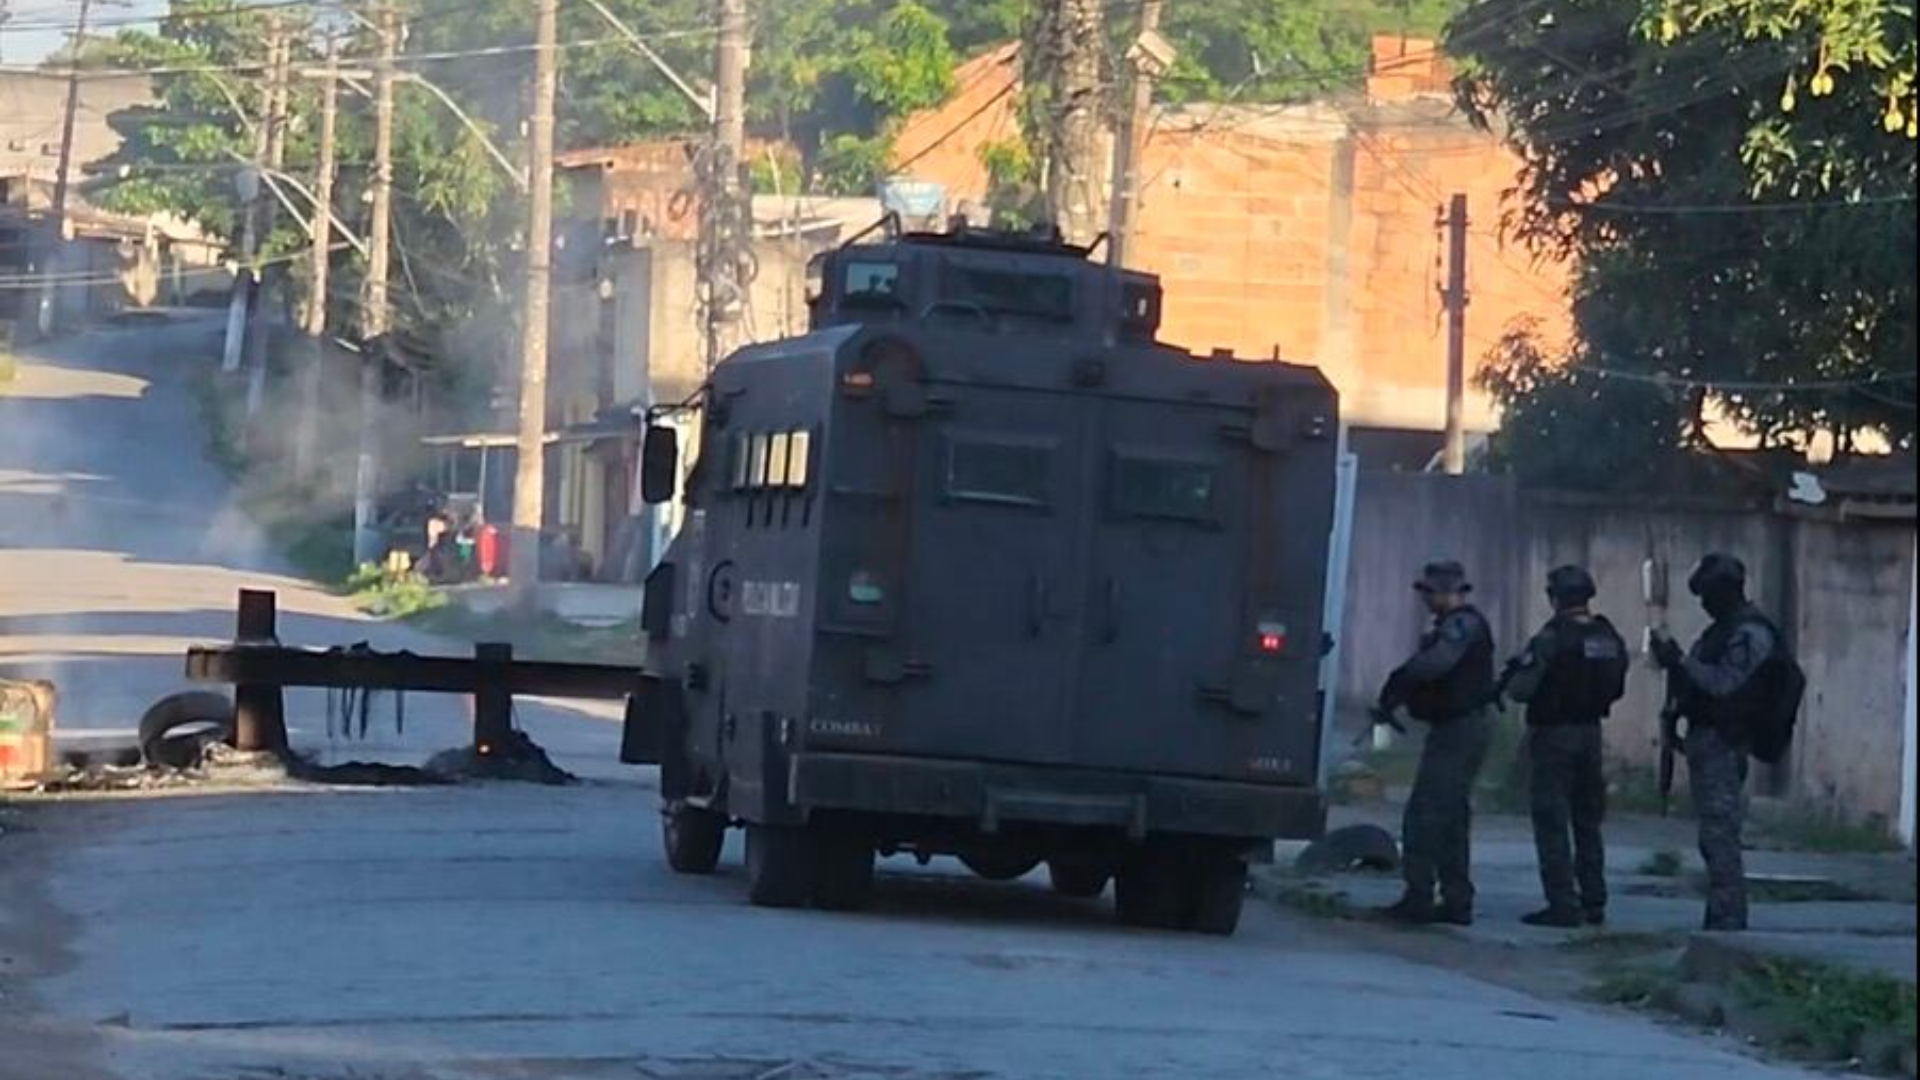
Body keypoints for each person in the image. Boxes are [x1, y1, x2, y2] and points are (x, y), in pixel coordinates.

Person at [1651, 553, 1774, 932]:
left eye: (1707, 594)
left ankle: (1728, 922)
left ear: (1726, 591)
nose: (1704, 603)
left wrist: (1680, 661)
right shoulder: (1721, 630)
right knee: (1712, 837)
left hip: (1725, 741)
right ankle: (1721, 917)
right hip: (1706, 738)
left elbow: (1724, 684)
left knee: (1720, 837)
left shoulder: (1750, 633)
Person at [1503, 565, 1629, 928]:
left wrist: (1515, 673)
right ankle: (1593, 900)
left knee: (1552, 819)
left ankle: (1562, 902)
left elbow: (1520, 690)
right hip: (1591, 733)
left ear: (1555, 597)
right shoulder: (1607, 636)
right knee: (1587, 821)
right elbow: (1616, 686)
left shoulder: (1551, 638)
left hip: (1554, 734)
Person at [1373, 560, 1497, 927]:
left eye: (1430, 592)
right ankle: (1456, 900)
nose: (1425, 599)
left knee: (1425, 814)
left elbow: (1435, 664)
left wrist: (1401, 680)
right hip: (1458, 727)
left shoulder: (1461, 625)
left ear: (1446, 592)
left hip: (1458, 730)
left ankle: (1420, 897)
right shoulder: (1456, 625)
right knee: (1451, 817)